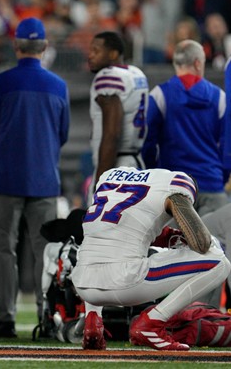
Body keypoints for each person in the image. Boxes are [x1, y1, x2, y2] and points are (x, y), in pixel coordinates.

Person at [72, 166, 231, 350]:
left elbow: (118, 229)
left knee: (101, 246)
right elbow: (201, 242)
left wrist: (170, 236)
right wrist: (182, 235)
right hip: (125, 282)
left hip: (82, 284)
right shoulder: (175, 186)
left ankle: (93, 322)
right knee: (219, 260)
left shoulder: (109, 178)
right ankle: (152, 323)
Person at [0, 17, 70, 338]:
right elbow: (62, 134)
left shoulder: (1, 83)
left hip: (5, 178)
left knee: (4, 250)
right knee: (44, 253)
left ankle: (6, 317)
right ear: (45, 47)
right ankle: (46, 319)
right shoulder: (59, 86)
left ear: (16, 46)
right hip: (44, 179)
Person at [142, 40, 228, 216]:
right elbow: (227, 145)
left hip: (172, 188)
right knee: (215, 242)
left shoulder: (160, 95)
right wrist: (221, 176)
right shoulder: (220, 97)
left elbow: (147, 142)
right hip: (211, 185)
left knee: (168, 243)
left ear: (176, 63)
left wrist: (152, 172)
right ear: (198, 63)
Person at [88, 31, 149, 194]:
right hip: (135, 164)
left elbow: (112, 133)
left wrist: (101, 182)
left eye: (96, 51)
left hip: (115, 166)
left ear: (113, 54)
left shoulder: (108, 76)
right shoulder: (136, 73)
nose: (90, 55)